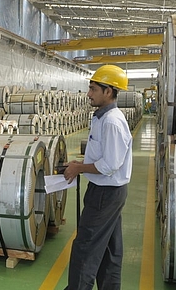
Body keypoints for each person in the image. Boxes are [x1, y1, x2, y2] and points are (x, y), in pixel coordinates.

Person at [62, 64, 133, 290]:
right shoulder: (101, 118)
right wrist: (77, 164)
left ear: (108, 91)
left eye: (93, 89)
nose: (89, 93)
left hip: (105, 194)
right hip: (107, 192)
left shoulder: (112, 122)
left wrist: (79, 169)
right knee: (110, 248)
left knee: (85, 247)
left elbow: (109, 165)